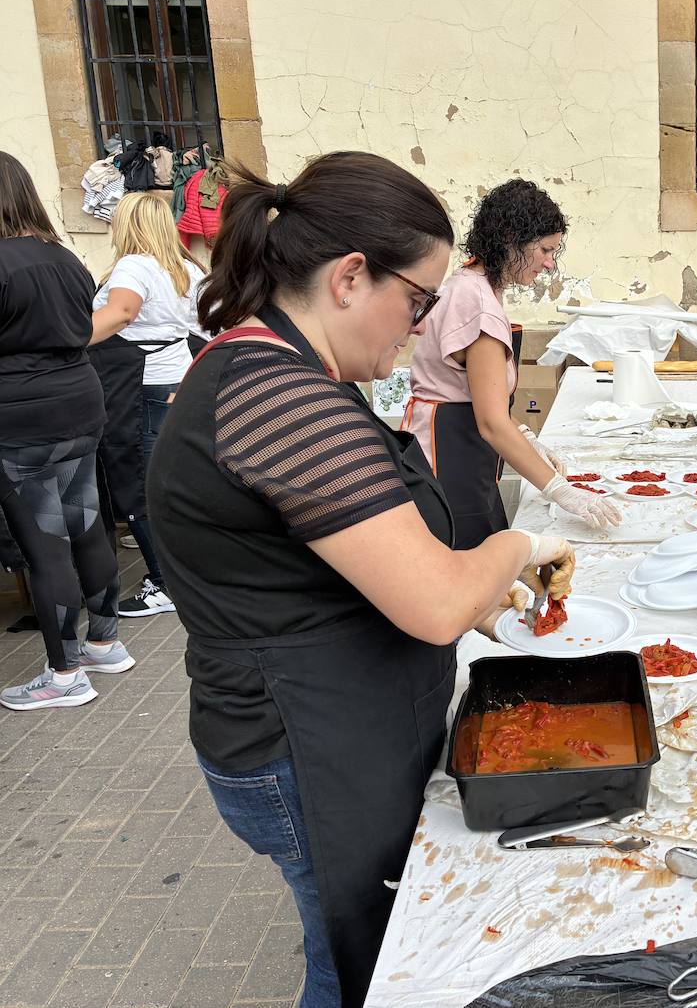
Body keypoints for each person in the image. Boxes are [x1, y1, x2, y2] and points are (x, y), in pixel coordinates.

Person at [146, 151, 577, 1008]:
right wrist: (516, 550)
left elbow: (332, 559)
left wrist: (482, 600)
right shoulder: (276, 393)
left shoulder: (280, 367)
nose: (419, 328)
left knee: (358, 954)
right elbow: (436, 602)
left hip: (324, 724)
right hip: (302, 747)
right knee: (359, 971)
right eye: (415, 302)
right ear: (349, 277)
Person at [403, 179, 619, 546]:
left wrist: (526, 436)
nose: (550, 265)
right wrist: (562, 491)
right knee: (470, 564)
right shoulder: (479, 305)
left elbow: (476, 394)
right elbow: (490, 422)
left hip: (450, 444)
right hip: (451, 458)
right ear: (510, 239)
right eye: (546, 250)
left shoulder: (467, 284)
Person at [0, 152, 133, 711]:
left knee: (43, 544)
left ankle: (65, 673)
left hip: (22, 416)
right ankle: (104, 640)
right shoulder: (64, 256)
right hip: (77, 403)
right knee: (85, 525)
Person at [89, 192, 206, 616]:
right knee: (173, 480)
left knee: (138, 481)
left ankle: (163, 583)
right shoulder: (188, 268)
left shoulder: (134, 265)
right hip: (177, 379)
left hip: (141, 387)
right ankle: (187, 575)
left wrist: (59, 338)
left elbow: (120, 312)